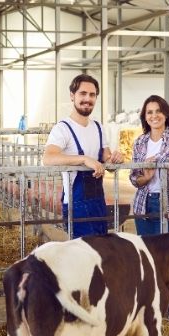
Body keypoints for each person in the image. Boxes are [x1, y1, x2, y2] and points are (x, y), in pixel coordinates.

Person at [43, 74, 124, 239]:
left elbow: (106, 157)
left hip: (98, 202)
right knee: (83, 256)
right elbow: (48, 158)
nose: (88, 98)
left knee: (101, 252)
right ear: (72, 95)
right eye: (83, 93)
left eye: (92, 95)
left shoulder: (98, 127)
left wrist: (115, 159)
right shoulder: (63, 128)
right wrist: (84, 159)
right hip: (76, 205)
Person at [129, 95, 169, 235]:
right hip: (143, 204)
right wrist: (146, 178)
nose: (154, 116)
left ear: (166, 114)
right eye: (149, 112)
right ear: (145, 117)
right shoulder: (139, 142)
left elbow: (167, 155)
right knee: (147, 250)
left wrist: (147, 164)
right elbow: (134, 178)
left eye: (158, 111)